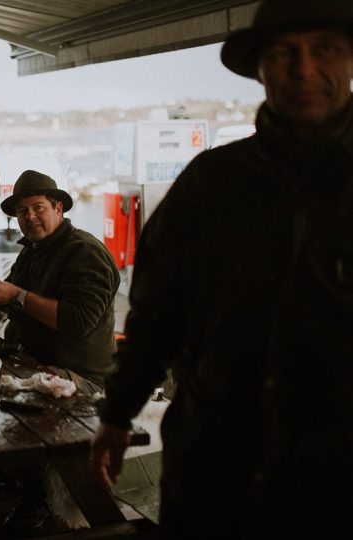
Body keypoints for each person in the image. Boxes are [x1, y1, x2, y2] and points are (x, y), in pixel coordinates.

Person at [93, 0, 353, 537]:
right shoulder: (208, 185)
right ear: (260, 69)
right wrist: (117, 416)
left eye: (324, 49)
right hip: (214, 470)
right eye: (284, 53)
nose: (304, 69)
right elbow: (155, 316)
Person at [0, 170, 120, 532]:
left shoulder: (84, 252)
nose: (30, 218)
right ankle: (1, 468)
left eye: (38, 208)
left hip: (80, 376)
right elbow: (11, 303)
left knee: (23, 404)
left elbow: (79, 321)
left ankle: (38, 496)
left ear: (58, 207)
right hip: (31, 361)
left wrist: (16, 295)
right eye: (22, 212)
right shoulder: (33, 251)